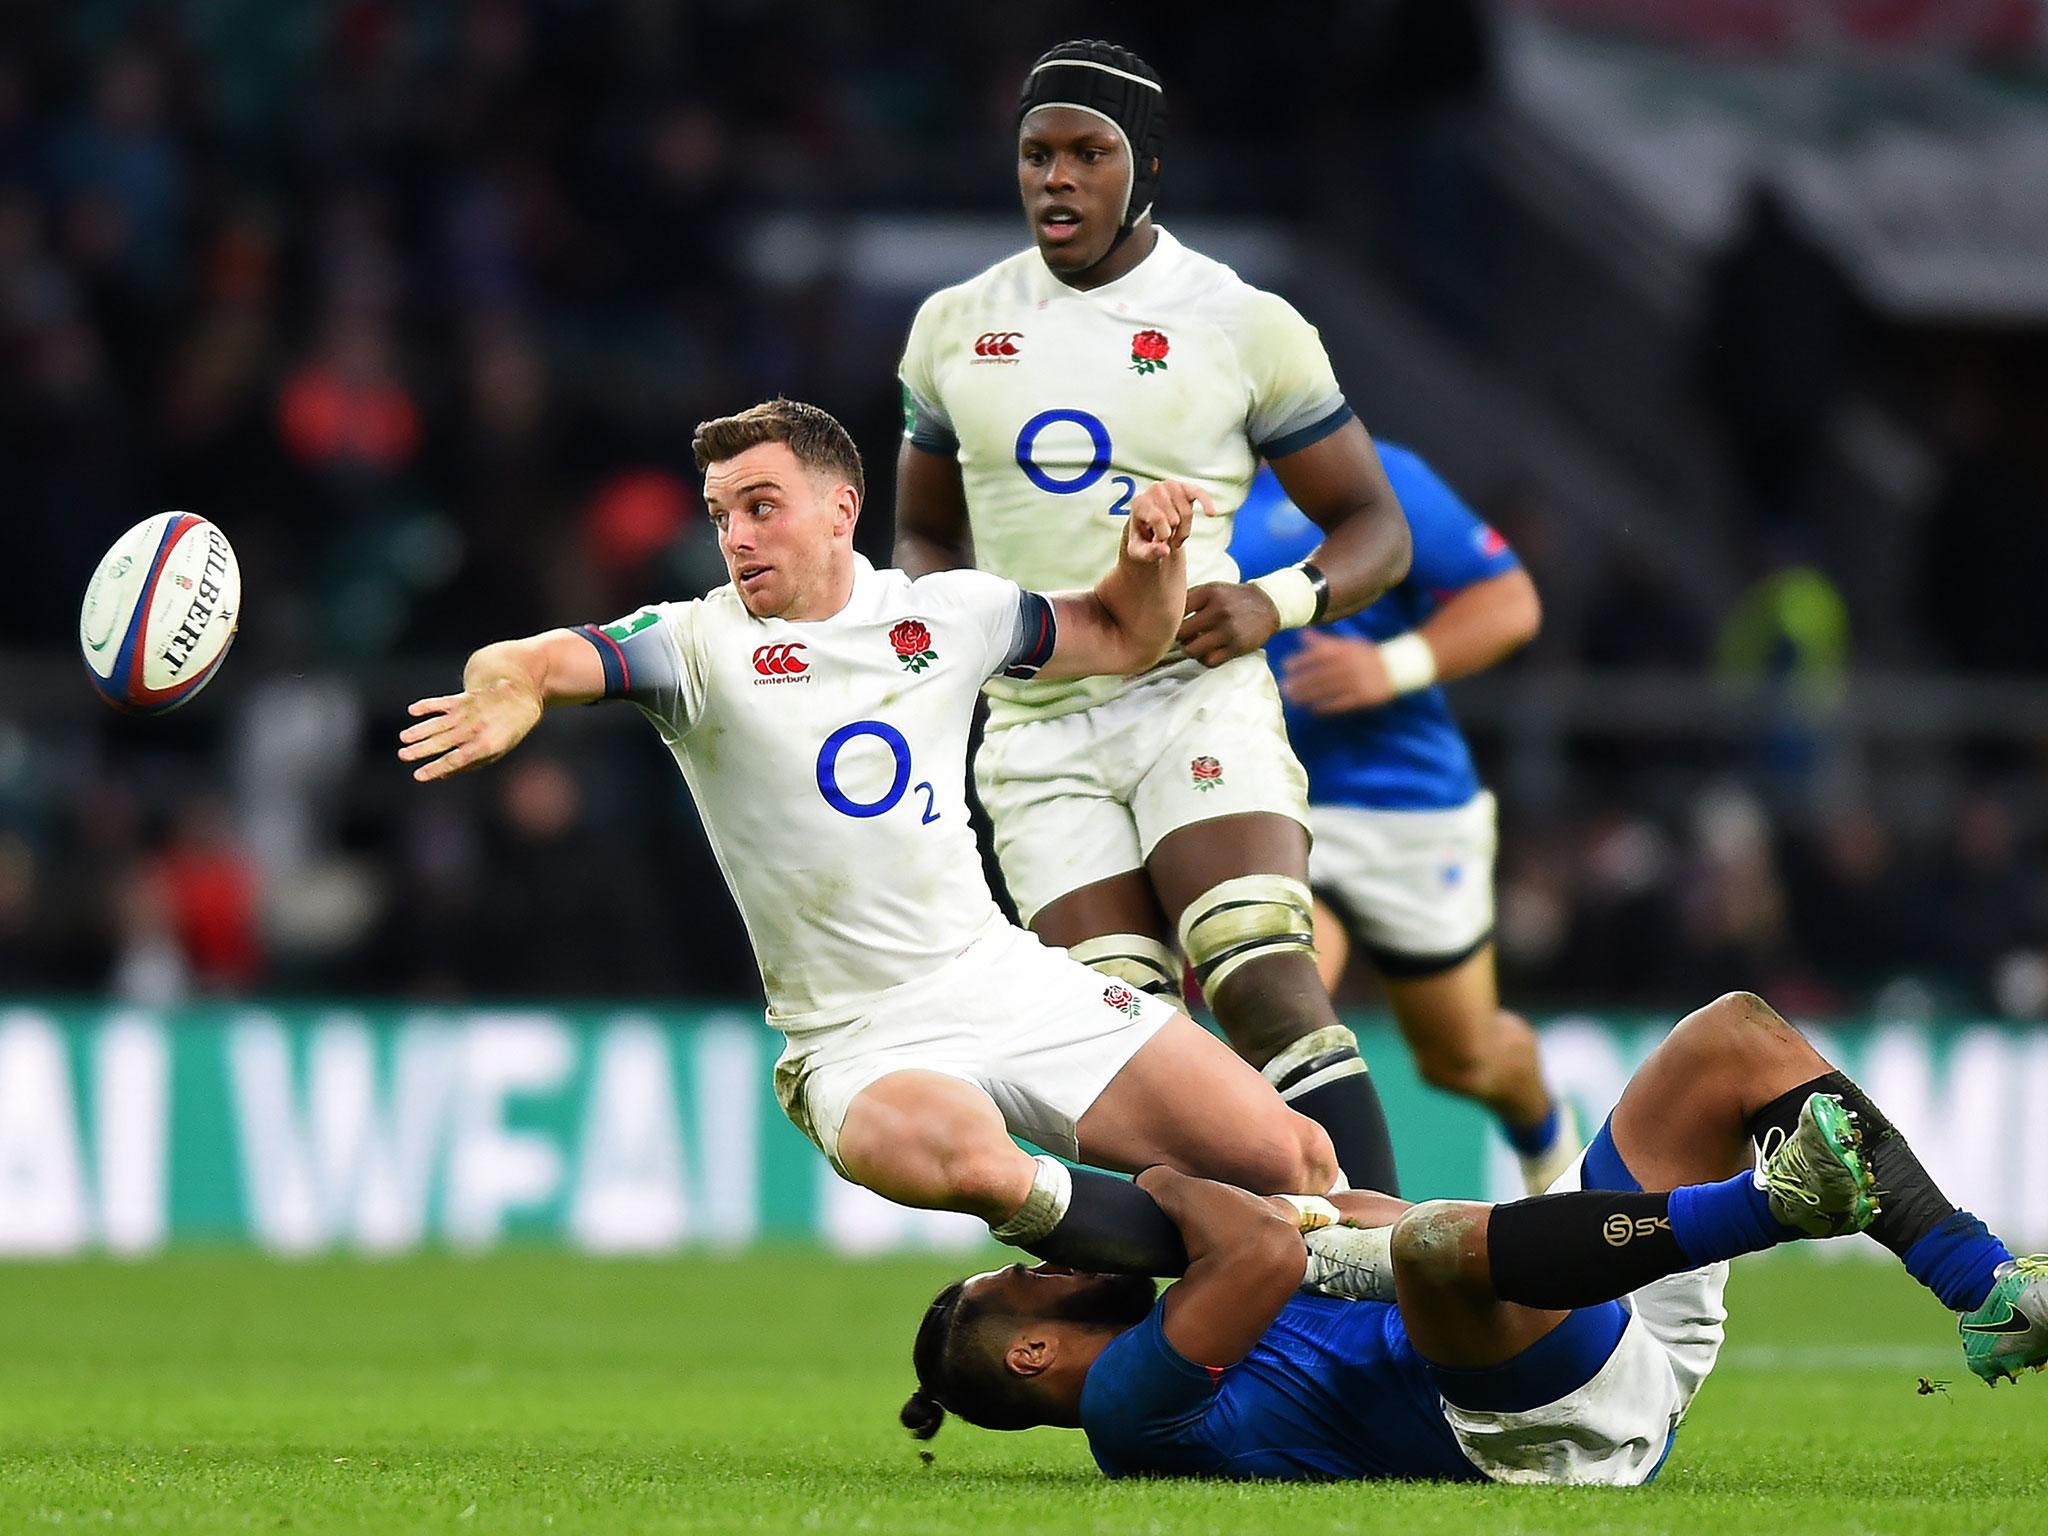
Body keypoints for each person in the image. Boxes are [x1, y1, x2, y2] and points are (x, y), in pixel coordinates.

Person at [398, 398, 1342, 1279]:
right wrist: (509, 691)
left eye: (761, 507)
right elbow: (534, 656)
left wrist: (1148, 560)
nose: (736, 536)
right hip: (855, 1039)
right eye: (722, 513)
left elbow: (1122, 633)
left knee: (1290, 1152)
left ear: (842, 507)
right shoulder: (692, 646)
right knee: (969, 1159)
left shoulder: (950, 615)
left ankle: (1413, 1322)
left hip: (999, 977)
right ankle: (1233, 1251)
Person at [895, 39, 1413, 1194]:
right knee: (1113, 1044)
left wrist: (1272, 603)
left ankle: (1392, 1268)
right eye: (1037, 154)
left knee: (1254, 969)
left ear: (1148, 170)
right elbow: (923, 533)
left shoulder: (1239, 322)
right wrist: (947, 641)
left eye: (1089, 153)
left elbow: (1375, 528)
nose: (1057, 178)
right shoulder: (948, 326)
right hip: (1034, 729)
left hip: (1189, 693)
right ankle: (1188, 1327)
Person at [903, 991, 2048, 1483]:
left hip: (1588, 1308)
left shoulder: (1177, 1324)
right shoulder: (1121, 1414)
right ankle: (1773, 1206)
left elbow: (1312, 1227)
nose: (1050, 1262)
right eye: (1023, 1279)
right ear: (1028, 1355)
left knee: (1730, 1038)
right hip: (1536, 1423)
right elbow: (1255, 1249)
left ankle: (1983, 1289)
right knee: (1429, 1248)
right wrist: (1156, 1169)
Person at [1230, 451, 1573, 1192]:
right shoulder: (1159, 487)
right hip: (1263, 801)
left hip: (1403, 809)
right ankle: (1334, 1252)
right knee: (1282, 1025)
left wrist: (1390, 667)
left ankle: (1549, 1140)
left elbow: (1510, 602)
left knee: (1463, 1056)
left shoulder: (1358, 474)